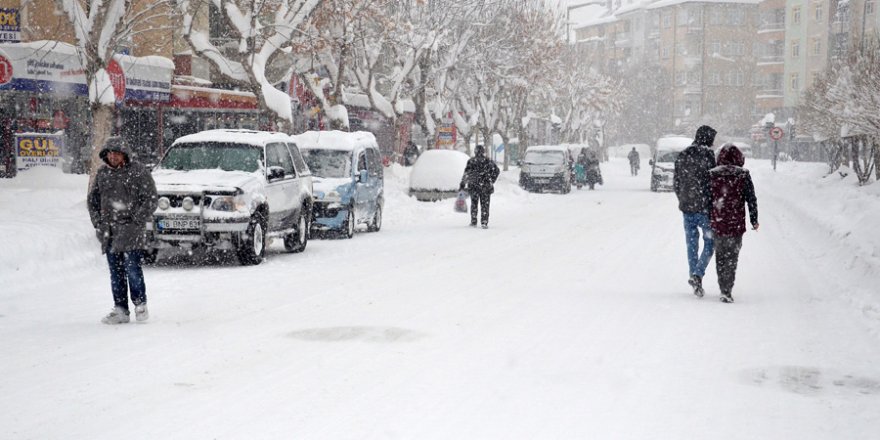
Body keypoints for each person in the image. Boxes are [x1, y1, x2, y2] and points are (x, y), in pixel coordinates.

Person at [87, 137, 158, 324]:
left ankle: (140, 304)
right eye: (110, 153)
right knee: (115, 272)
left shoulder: (138, 172)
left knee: (132, 268)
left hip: (130, 230)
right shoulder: (102, 173)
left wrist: (137, 219)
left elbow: (150, 199)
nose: (113, 157)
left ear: (124, 155)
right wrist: (98, 222)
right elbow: (92, 201)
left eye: (117, 153)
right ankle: (120, 309)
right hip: (109, 231)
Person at [709, 143, 759, 303]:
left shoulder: (712, 175)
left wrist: (708, 215)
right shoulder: (743, 175)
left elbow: (707, 198)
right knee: (732, 257)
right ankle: (727, 289)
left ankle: (723, 286)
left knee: (720, 256)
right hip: (736, 223)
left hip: (718, 222)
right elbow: (751, 198)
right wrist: (754, 219)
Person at [674, 125, 717, 297]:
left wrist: (683, 199)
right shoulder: (708, 156)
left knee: (691, 244)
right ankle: (698, 273)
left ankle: (694, 275)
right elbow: (713, 182)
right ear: (707, 138)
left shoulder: (683, 154)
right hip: (705, 209)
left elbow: (676, 182)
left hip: (687, 208)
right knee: (711, 242)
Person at [460, 144, 500, 229]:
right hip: (485, 187)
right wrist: (491, 180)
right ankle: (484, 222)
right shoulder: (488, 161)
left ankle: (473, 221)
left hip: (474, 186)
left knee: (474, 204)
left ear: (475, 151)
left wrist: (462, 184)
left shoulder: (471, 161)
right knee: (485, 205)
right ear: (483, 152)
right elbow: (497, 171)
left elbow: (466, 174)